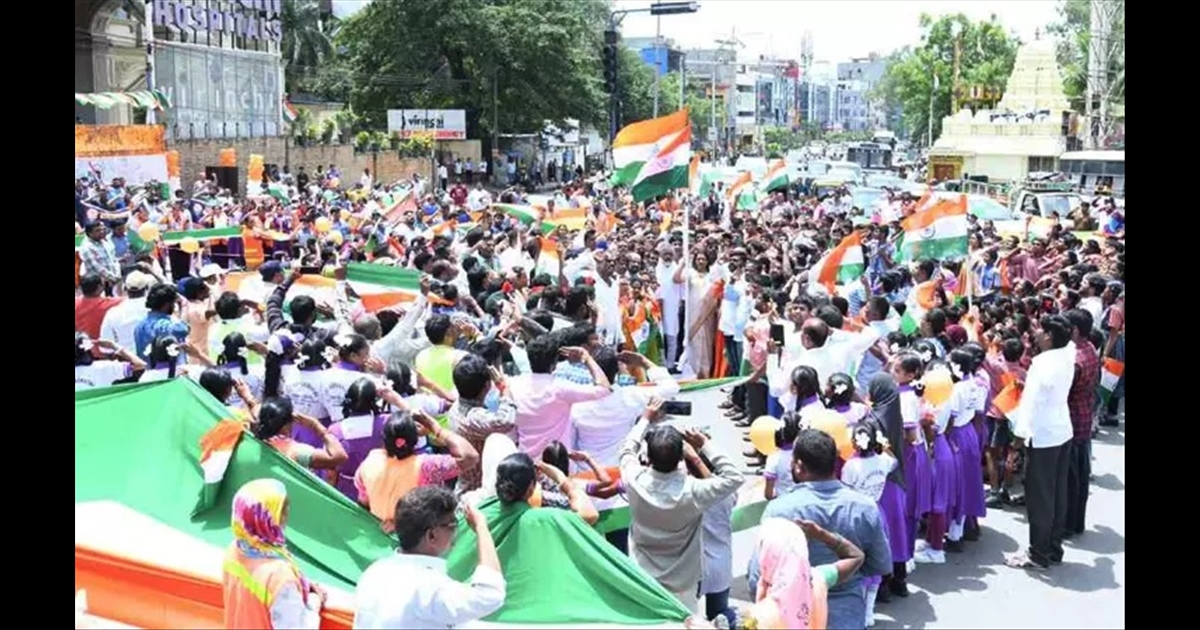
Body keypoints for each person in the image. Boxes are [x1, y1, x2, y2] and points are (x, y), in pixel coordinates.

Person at [749, 429, 892, 630]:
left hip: (793, 619)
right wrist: (848, 576)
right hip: (847, 615)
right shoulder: (865, 507)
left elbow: (757, 576)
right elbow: (881, 565)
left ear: (798, 467)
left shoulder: (779, 510)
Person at [619, 398, 744, 611]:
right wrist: (704, 444)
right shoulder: (694, 490)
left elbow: (626, 450)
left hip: (644, 576)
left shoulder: (635, 479)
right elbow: (734, 477)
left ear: (648, 457)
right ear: (681, 457)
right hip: (683, 585)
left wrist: (645, 419)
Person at [353, 486, 506, 629]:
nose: (457, 530)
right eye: (453, 524)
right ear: (431, 536)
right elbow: (491, 595)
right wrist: (481, 527)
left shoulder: (374, 572)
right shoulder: (430, 586)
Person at [1007, 315, 1077, 570]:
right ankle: (1053, 547)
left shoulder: (1042, 364)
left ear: (1048, 337)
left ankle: (1038, 553)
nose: (1035, 333)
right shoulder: (1068, 353)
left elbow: (1030, 405)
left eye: (1039, 330)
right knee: (1058, 493)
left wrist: (1017, 439)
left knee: (1040, 497)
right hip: (1062, 429)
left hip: (1044, 435)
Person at [222, 479, 324, 629]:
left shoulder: (233, 550)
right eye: (282, 510)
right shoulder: (279, 576)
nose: (286, 514)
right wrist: (314, 602)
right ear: (266, 520)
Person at [353, 410, 479, 532]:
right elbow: (470, 457)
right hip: (418, 540)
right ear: (416, 439)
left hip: (381, 536)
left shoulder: (370, 462)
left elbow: (364, 502)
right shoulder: (426, 467)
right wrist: (435, 428)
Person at [737, 518, 865, 630]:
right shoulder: (817, 579)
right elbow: (856, 556)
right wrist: (821, 534)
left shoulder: (755, 619)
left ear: (767, 557)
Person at [1063, 308, 1100, 538]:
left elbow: (1065, 392)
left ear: (1075, 330)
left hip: (1073, 417)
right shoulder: (1090, 349)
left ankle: (1068, 523)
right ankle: (1076, 521)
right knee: (1080, 473)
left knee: (1071, 477)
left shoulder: (1075, 359)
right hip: (1084, 414)